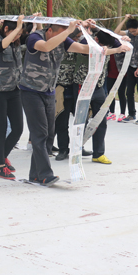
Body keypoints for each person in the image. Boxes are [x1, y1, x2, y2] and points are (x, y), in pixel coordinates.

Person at [20, 19, 129, 185]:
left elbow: (85, 49)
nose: (63, 38)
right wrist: (68, 31)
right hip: (31, 91)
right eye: (60, 34)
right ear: (50, 31)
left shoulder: (62, 40)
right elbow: (46, 47)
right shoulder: (35, 38)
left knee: (48, 133)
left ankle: (35, 174)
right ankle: (45, 174)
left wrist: (117, 48)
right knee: (40, 133)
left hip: (48, 91)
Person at [74, 28, 130, 165]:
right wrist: (114, 49)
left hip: (98, 87)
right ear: (97, 39)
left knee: (100, 120)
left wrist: (124, 40)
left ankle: (98, 154)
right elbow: (99, 51)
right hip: (83, 86)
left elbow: (119, 46)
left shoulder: (107, 41)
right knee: (81, 121)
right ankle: (76, 151)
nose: (107, 47)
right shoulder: (86, 42)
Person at [0, 15, 25, 179]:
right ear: (6, 29)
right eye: (16, 33)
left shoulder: (15, 42)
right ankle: (1, 165)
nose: (18, 37)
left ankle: (3, 156)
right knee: (1, 128)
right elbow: (0, 47)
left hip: (14, 90)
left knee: (18, 128)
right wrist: (17, 29)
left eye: (20, 34)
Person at [114, 15, 138, 124]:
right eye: (130, 31)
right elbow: (116, 32)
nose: (132, 33)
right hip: (130, 67)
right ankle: (131, 114)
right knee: (129, 92)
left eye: (134, 31)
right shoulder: (128, 34)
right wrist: (124, 19)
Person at [54, 34, 80, 162]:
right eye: (75, 37)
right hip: (61, 90)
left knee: (80, 122)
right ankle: (63, 149)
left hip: (76, 89)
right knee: (61, 123)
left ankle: (79, 148)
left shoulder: (79, 47)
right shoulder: (56, 47)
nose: (77, 39)